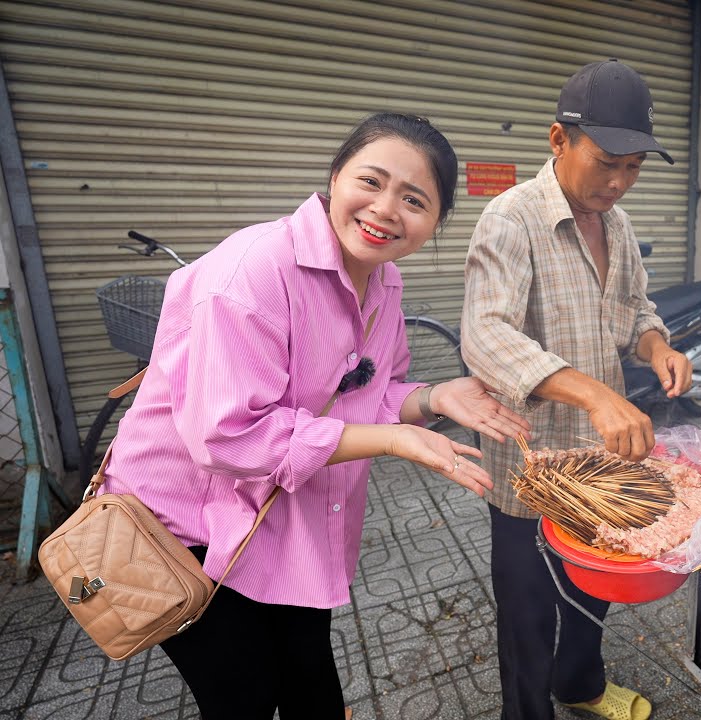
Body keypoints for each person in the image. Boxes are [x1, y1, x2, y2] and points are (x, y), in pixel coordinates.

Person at [100, 112, 531, 719]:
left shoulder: (384, 284)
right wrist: (393, 441)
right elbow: (227, 438)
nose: (385, 210)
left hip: (282, 517)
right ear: (334, 179)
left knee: (311, 680)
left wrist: (435, 398)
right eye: (371, 182)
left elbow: (369, 396)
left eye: (414, 200)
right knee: (243, 698)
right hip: (186, 527)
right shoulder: (252, 271)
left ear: (436, 222)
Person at [461, 60, 693, 720]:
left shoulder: (616, 224)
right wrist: (594, 394)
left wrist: (658, 347)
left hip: (598, 460)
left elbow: (636, 311)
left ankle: (581, 686)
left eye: (634, 168)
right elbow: (485, 335)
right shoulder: (512, 219)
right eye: (607, 163)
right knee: (529, 611)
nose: (619, 182)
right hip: (531, 468)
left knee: (592, 587)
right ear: (558, 139)